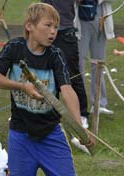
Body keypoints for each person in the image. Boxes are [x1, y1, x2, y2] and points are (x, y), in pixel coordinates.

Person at [0, 3, 92, 176]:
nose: (53, 32)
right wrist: (22, 86)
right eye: (48, 25)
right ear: (29, 26)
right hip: (20, 137)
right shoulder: (14, 48)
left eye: (56, 27)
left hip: (51, 135)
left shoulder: (56, 55)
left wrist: (79, 126)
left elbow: (67, 90)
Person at [41, 0, 89, 129]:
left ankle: (82, 115)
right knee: (47, 74)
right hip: (47, 29)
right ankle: (49, 113)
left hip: (64, 31)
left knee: (73, 75)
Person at [77, 0, 116, 114]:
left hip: (101, 20)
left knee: (98, 63)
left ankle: (99, 103)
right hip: (80, 21)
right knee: (79, 64)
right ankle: (78, 105)